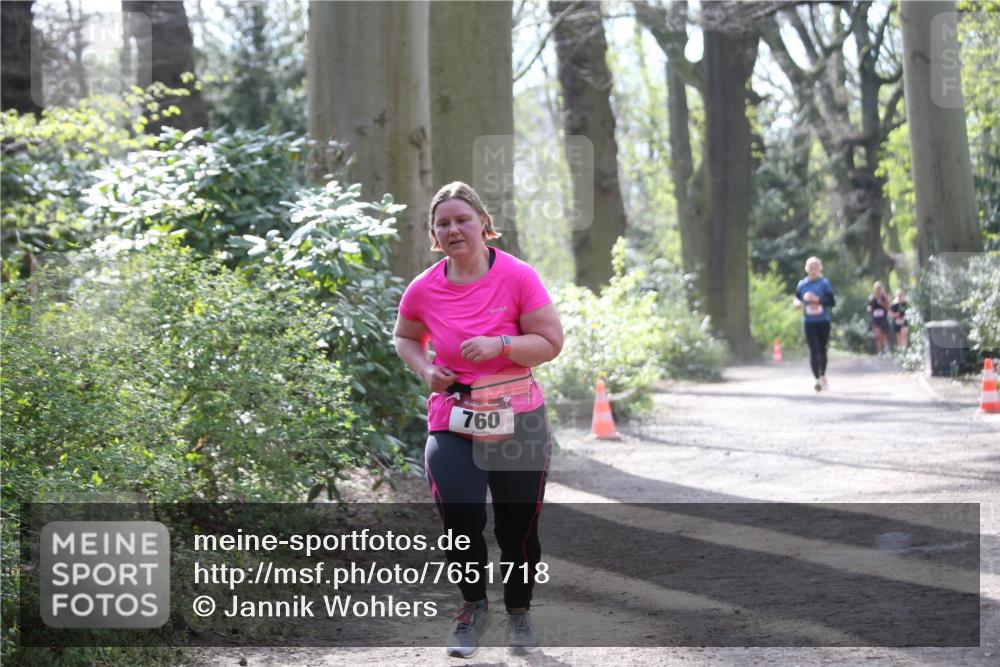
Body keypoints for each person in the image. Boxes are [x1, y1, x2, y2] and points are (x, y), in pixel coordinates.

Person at [393, 182, 563, 658]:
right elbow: (405, 336)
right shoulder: (424, 288)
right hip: (454, 417)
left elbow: (550, 342)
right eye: (442, 223)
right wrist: (427, 369)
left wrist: (501, 345)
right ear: (433, 233)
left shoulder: (517, 276)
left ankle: (519, 611)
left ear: (484, 224)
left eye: (462, 220)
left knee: (517, 526)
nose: (453, 229)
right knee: (460, 514)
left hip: (518, 415)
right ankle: (471, 607)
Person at [794, 257, 835, 392]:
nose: (813, 270)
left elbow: (831, 302)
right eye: (811, 267)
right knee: (814, 349)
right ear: (807, 269)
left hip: (823, 321)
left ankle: (822, 374)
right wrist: (797, 303)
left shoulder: (824, 283)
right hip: (809, 322)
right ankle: (817, 379)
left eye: (816, 267)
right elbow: (797, 298)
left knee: (822, 348)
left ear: (819, 269)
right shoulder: (802, 284)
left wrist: (817, 300)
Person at [867, 281, 892, 356]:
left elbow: (888, 308)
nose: (878, 289)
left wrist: (883, 304)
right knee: (878, 334)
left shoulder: (884, 297)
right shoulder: (872, 297)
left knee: (884, 334)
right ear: (874, 289)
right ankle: (880, 352)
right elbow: (869, 306)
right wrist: (868, 309)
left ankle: (886, 348)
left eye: (879, 288)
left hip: (883, 318)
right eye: (876, 288)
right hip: (875, 319)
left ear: (881, 288)